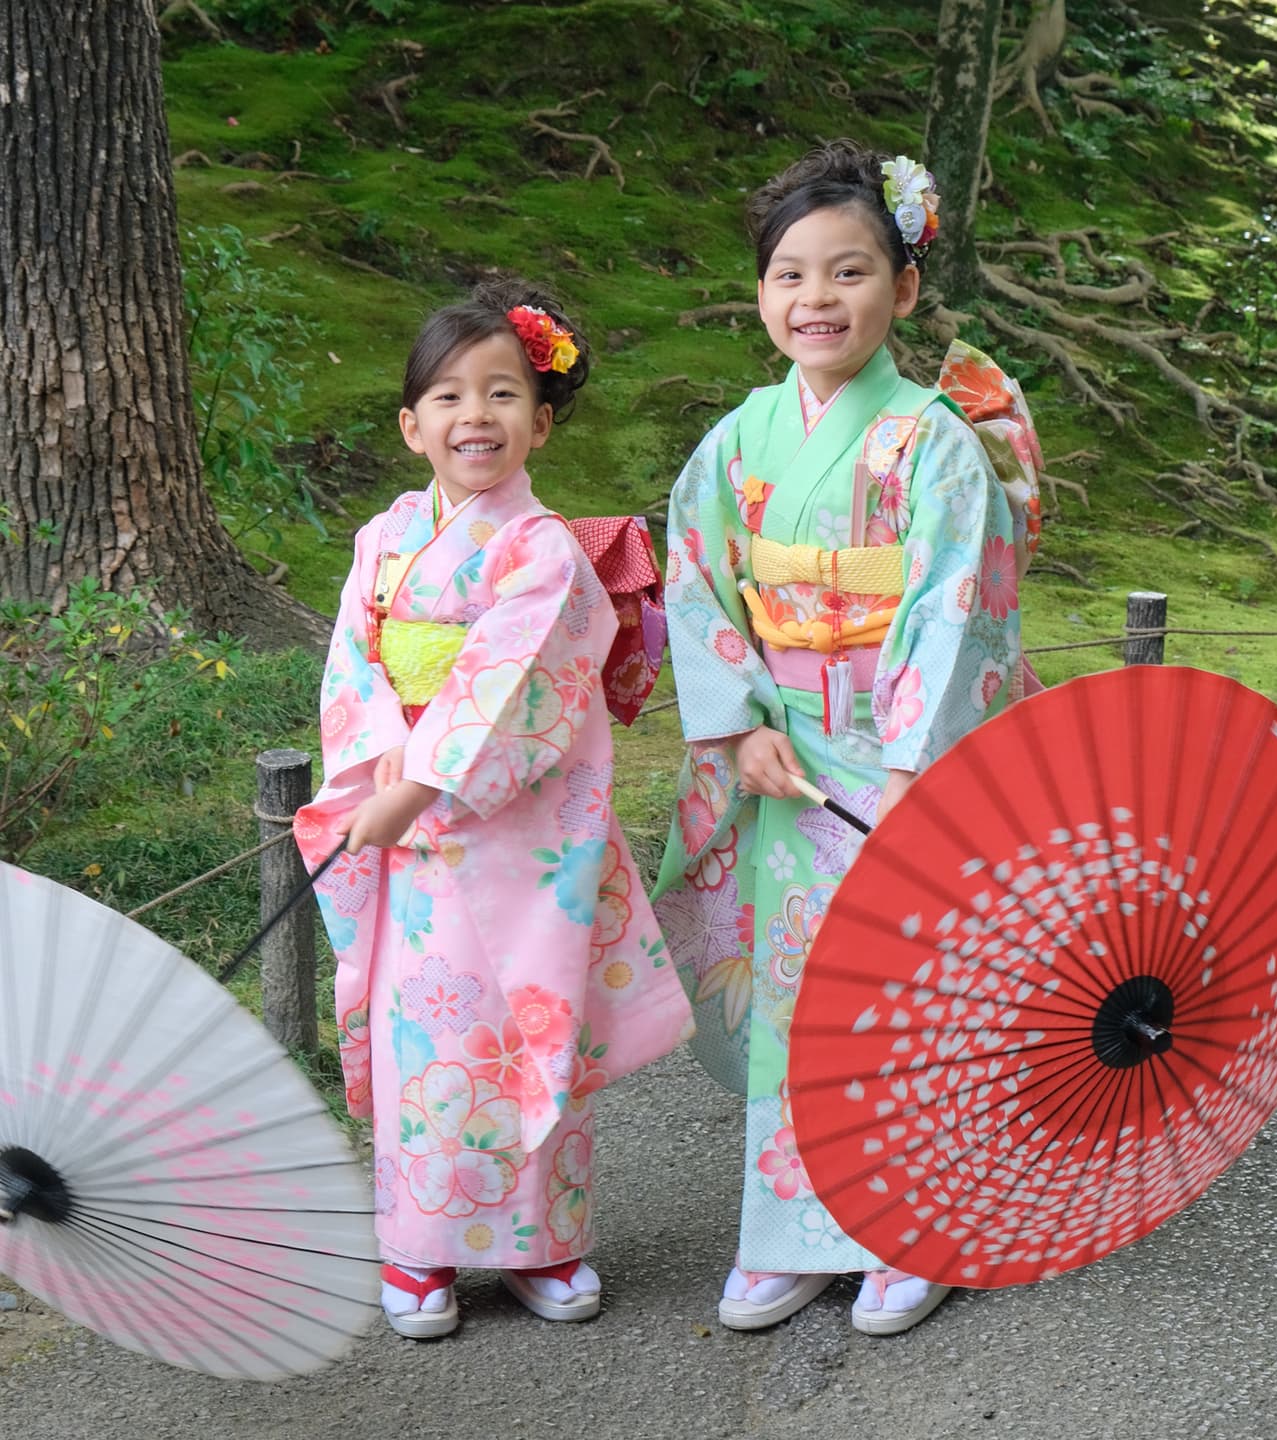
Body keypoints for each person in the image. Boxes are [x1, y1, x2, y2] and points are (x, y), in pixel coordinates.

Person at [651, 141, 1023, 1336]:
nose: (816, 298)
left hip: (900, 758)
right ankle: (796, 1229)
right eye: (789, 275)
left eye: (849, 271)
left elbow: (955, 605)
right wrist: (742, 723)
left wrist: (916, 764)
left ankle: (914, 1223)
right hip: (785, 758)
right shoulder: (741, 440)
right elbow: (701, 582)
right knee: (797, 997)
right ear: (762, 296)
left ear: (904, 289)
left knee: (906, 990)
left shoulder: (932, 443)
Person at [295, 280, 694, 1339]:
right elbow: (353, 667)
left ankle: (544, 1245)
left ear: (542, 421)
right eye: (450, 395)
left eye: (504, 394)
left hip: (522, 837)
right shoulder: (383, 541)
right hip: (412, 835)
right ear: (412, 424)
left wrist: (423, 782)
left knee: (530, 1034)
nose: (477, 415)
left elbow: (515, 683)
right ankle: (420, 1253)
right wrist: (385, 770)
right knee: (427, 1043)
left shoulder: (542, 551)